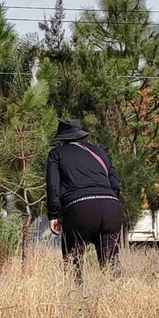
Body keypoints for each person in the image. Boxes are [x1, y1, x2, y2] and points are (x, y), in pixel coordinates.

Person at [45, 119, 123, 282]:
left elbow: (53, 186)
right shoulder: (100, 152)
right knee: (111, 265)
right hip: (111, 208)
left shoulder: (56, 154)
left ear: (61, 140)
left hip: (80, 209)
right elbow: (115, 184)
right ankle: (118, 301)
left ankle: (76, 299)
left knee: (74, 262)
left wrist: (53, 214)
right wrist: (107, 203)